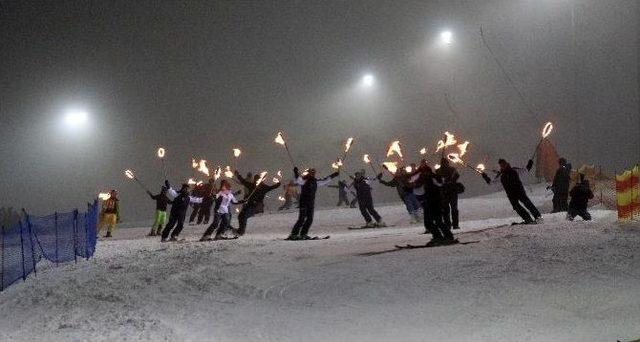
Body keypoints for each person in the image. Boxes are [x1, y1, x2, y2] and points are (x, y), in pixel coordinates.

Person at [287, 167, 339, 240]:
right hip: (303, 202)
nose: (313, 174)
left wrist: (334, 175)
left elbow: (325, 180)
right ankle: (294, 234)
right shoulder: (304, 180)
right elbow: (299, 180)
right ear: (309, 173)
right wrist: (296, 172)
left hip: (311, 202)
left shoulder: (315, 181)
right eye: (311, 172)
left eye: (314, 173)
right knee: (301, 219)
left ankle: (303, 234)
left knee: (310, 219)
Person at [412, 160, 456, 246]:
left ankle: (444, 236)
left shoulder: (429, 177)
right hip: (431, 202)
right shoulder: (430, 177)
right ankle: (440, 237)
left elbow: (417, 186)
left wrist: (410, 185)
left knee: (432, 222)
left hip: (434, 202)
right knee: (434, 221)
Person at [235, 170, 281, 236]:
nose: (256, 181)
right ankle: (240, 229)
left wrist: (278, 182)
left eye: (257, 180)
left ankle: (241, 231)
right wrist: (238, 175)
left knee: (244, 216)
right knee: (240, 216)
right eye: (255, 180)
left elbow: (273, 187)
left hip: (256, 207)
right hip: (249, 204)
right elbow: (243, 181)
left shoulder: (264, 187)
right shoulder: (252, 186)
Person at [497, 159, 542, 224]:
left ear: (506, 164)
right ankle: (527, 218)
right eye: (501, 165)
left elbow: (524, 171)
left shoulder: (514, 171)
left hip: (519, 191)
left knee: (527, 203)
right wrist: (484, 176)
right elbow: (493, 183)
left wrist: (529, 164)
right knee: (516, 207)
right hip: (511, 194)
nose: (503, 166)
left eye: (503, 164)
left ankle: (538, 217)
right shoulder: (502, 176)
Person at [436, 158, 463, 230]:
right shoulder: (452, 169)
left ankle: (448, 224)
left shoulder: (438, 171)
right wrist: (451, 181)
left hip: (444, 192)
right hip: (452, 191)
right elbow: (457, 175)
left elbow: (437, 181)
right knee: (454, 208)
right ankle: (455, 225)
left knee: (445, 209)